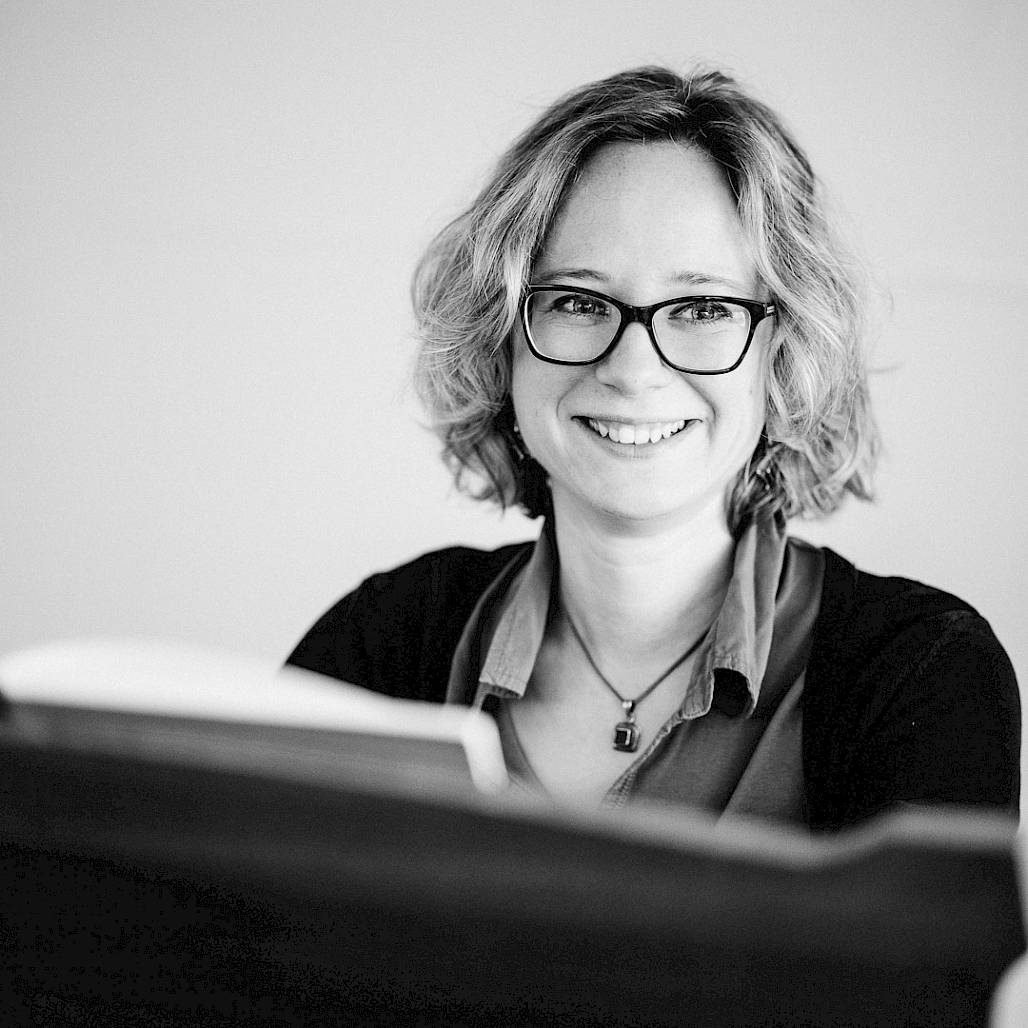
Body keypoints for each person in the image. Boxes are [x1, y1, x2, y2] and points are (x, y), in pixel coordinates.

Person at [286, 66, 1019, 831]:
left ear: (781, 353)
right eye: (577, 300)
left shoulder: (920, 672)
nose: (633, 370)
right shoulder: (382, 643)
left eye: (701, 307)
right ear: (503, 342)